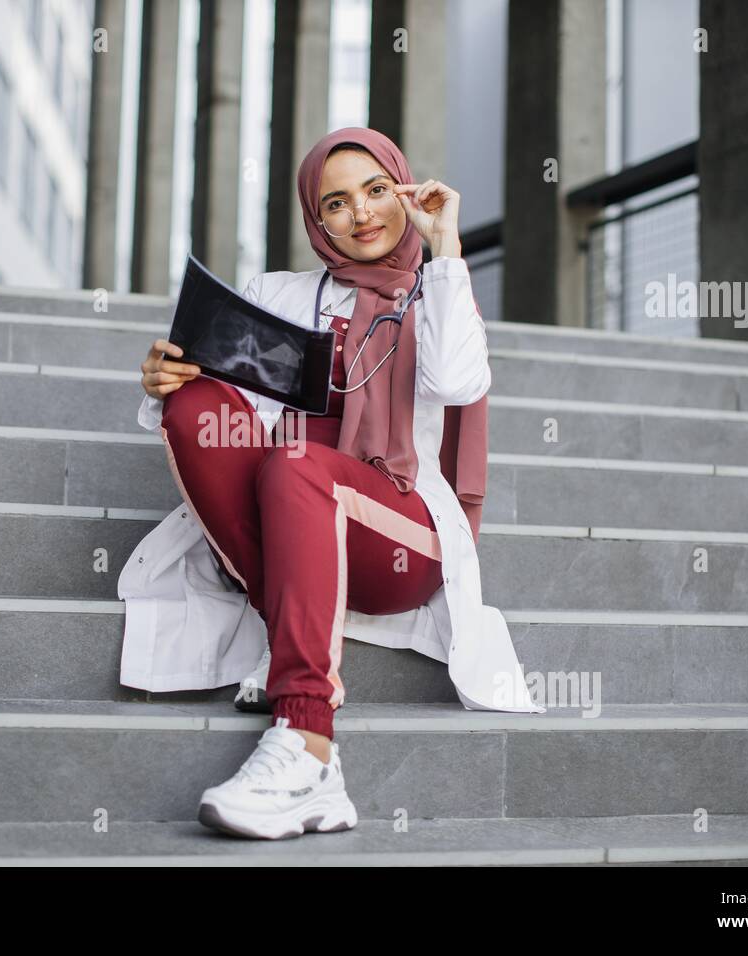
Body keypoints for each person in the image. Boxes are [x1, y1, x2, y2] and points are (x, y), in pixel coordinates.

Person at [136, 127, 492, 839]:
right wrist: (164, 380)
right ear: (315, 218)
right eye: (336, 202)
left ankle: (308, 741)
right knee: (199, 405)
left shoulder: (441, 296)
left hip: (400, 534)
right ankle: (291, 618)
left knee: (299, 463)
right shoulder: (276, 292)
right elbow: (225, 415)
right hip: (287, 507)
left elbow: (456, 384)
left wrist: (447, 249)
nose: (360, 213)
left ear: (405, 190)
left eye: (377, 190)